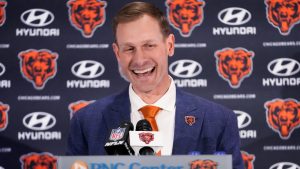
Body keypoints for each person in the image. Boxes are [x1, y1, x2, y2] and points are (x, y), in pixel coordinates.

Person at [67, 1, 244, 168]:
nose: (139, 60)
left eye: (149, 45)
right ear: (117, 53)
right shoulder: (86, 122)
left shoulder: (219, 120)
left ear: (170, 45)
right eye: (129, 48)